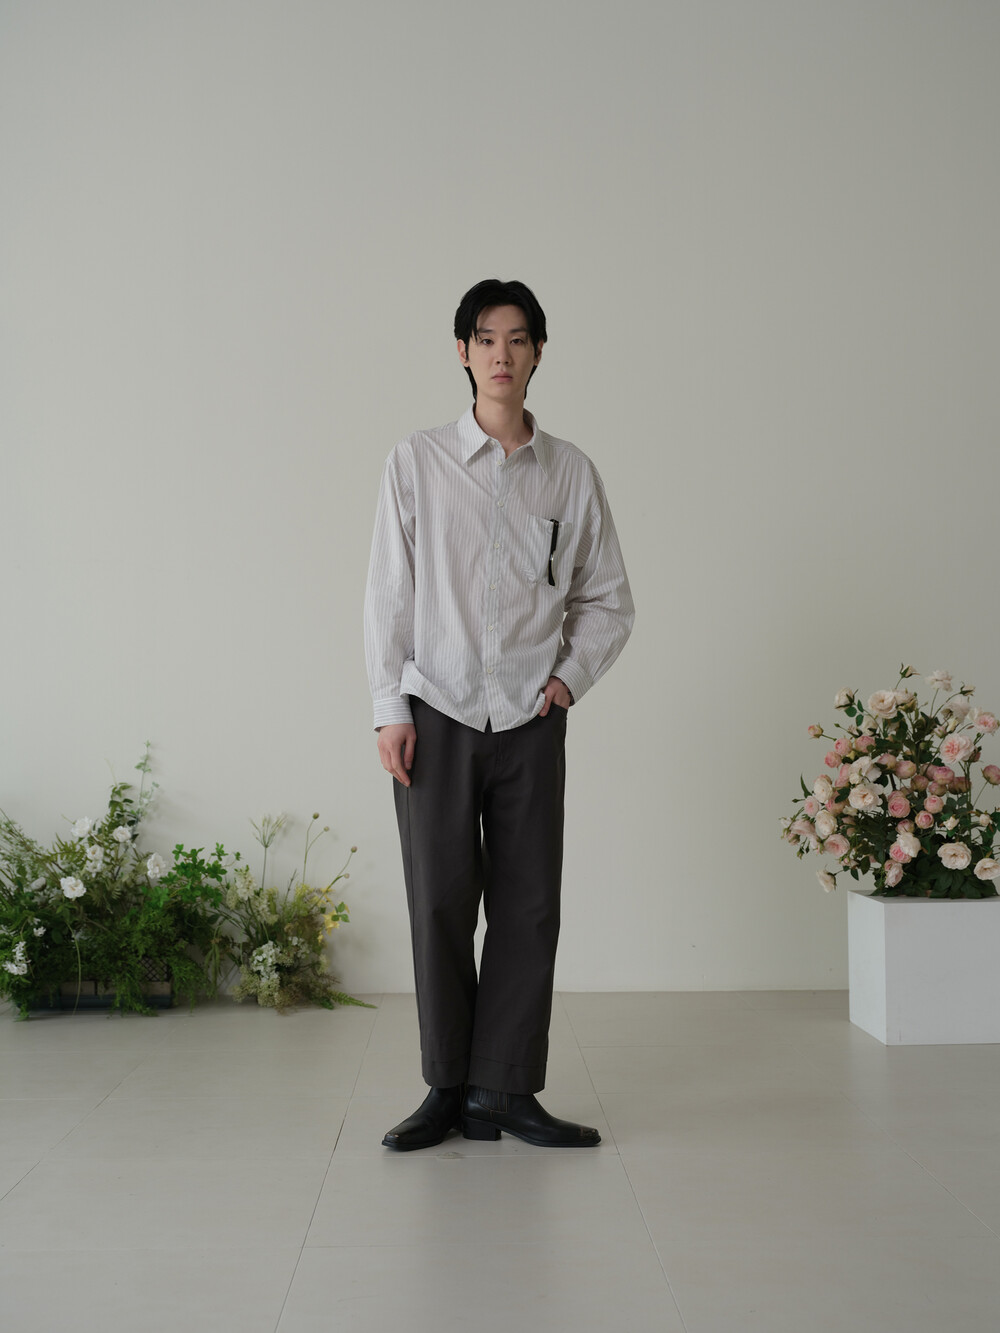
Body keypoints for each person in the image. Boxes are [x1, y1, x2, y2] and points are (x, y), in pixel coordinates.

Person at [364, 278, 634, 1149]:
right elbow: (388, 594)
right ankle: (446, 1086)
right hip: (436, 711)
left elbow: (608, 599)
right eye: (486, 338)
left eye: (518, 339)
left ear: (539, 352)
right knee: (440, 900)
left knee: (528, 907)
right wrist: (389, 707)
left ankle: (504, 1088)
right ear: (462, 351)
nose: (501, 355)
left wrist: (566, 681)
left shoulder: (570, 473)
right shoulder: (416, 462)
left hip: (529, 718)